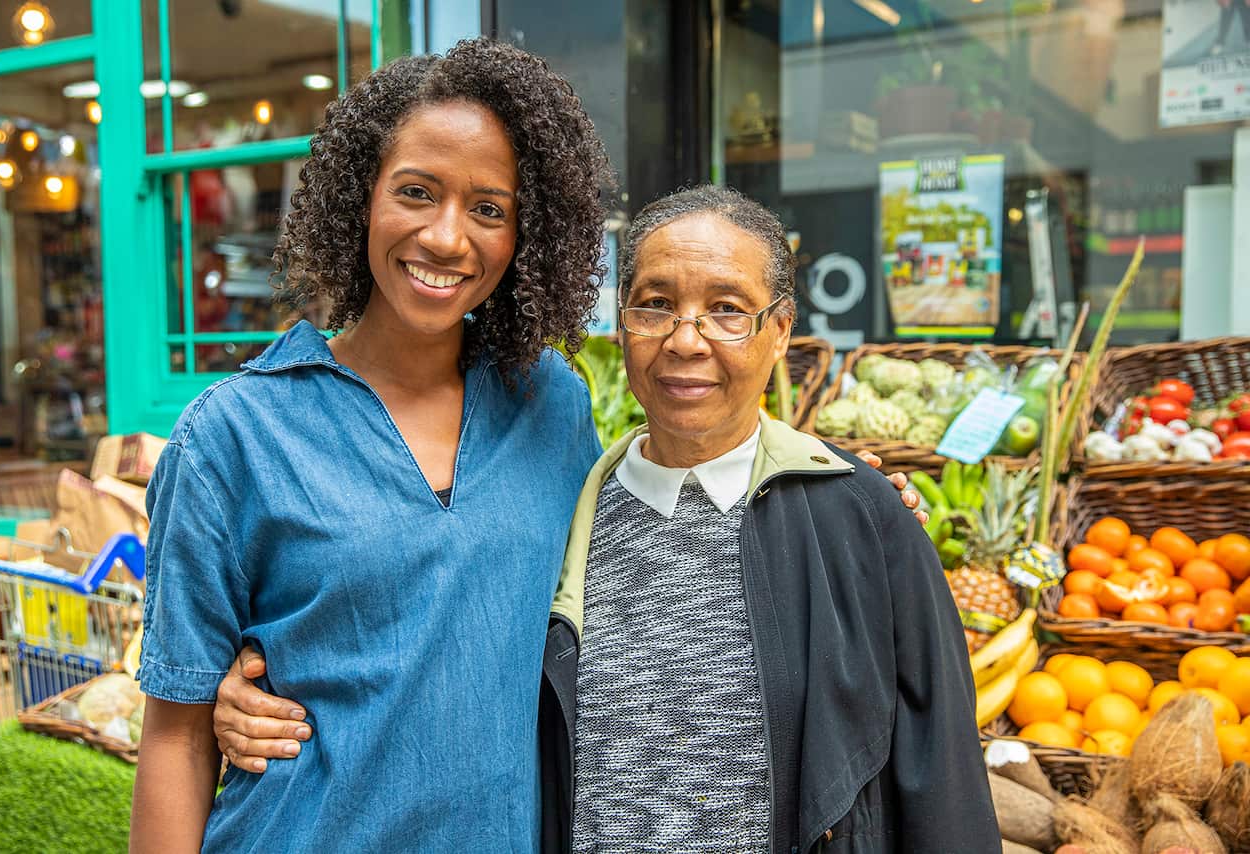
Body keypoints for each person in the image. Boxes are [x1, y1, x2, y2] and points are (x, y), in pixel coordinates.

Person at [213, 187, 994, 853]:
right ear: (620, 323)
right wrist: (248, 676)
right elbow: (436, 604)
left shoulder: (862, 522)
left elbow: (943, 783)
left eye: (728, 310)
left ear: (781, 331)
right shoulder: (569, 502)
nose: (686, 341)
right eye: (656, 304)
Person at [131, 39, 612, 852]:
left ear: (526, 238)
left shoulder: (552, 407)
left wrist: (835, 502)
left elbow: (626, 583)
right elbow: (175, 735)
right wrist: (218, 700)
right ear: (362, 197)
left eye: (489, 209)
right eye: (416, 193)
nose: (447, 238)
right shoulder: (234, 436)